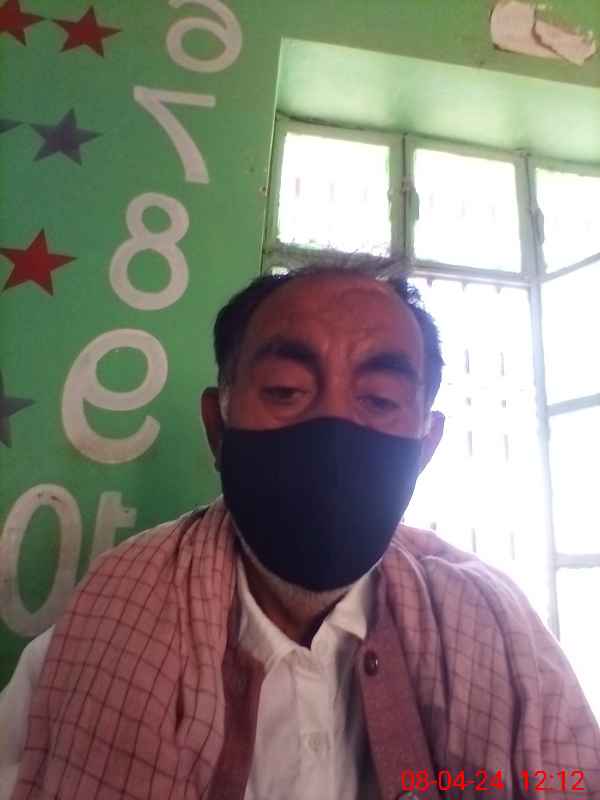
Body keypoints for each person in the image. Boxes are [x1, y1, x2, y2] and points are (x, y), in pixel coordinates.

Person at [1, 260, 599, 800]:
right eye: (286, 391)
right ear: (217, 428)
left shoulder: (509, 650)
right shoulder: (93, 641)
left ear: (425, 447)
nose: (333, 428)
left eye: (380, 399)